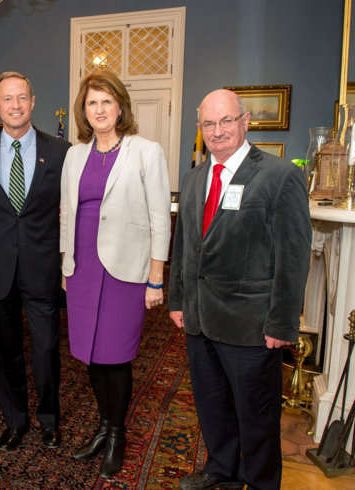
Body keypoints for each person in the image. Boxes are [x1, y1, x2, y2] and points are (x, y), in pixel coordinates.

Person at [168, 89, 312, 490]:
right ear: (200, 129)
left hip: (251, 326)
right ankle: (221, 472)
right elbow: (184, 246)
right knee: (213, 408)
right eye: (209, 124)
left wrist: (282, 324)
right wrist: (178, 300)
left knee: (257, 418)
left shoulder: (280, 176)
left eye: (226, 121)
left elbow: (293, 256)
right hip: (199, 321)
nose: (218, 131)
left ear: (245, 121)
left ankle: (262, 482)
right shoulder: (196, 177)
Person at [60, 70, 171, 478]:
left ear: (120, 106)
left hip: (126, 270)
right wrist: (65, 264)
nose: (100, 109)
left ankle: (118, 434)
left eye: (107, 101)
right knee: (90, 354)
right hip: (83, 268)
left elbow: (161, 217)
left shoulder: (146, 151)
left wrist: (156, 277)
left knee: (116, 356)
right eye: (92, 103)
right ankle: (103, 428)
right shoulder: (75, 155)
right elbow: (67, 214)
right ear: (84, 111)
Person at [0, 71, 71, 451]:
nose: (15, 105)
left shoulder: (61, 151)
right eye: (7, 99)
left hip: (42, 268)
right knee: (3, 351)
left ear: (33, 101)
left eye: (21, 97)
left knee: (45, 349)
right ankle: (15, 420)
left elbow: (73, 209)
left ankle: (48, 419)